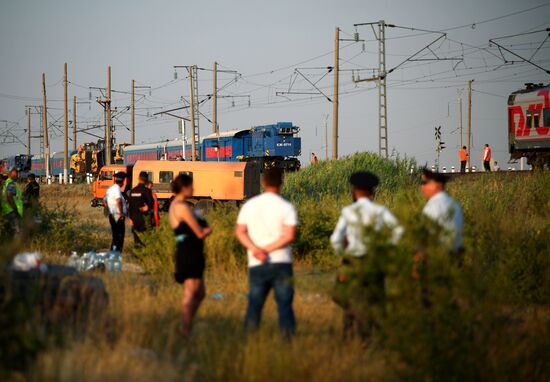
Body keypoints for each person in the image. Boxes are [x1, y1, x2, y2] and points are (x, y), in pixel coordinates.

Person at [330, 171, 403, 339]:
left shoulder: (348, 211)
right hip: (374, 260)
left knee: (350, 298)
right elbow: (399, 230)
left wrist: (344, 253)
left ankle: (348, 333)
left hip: (353, 261)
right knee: (375, 298)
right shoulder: (380, 211)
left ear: (354, 191)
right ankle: (372, 337)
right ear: (373, 192)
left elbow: (335, 239)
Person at [235, 168, 298, 339]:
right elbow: (290, 235)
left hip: (257, 263)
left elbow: (240, 231)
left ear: (263, 182)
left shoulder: (250, 205)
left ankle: (250, 341)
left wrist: (256, 250)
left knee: (254, 304)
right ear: (281, 182)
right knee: (285, 306)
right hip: (282, 263)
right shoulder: (287, 207)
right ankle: (288, 343)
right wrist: (269, 250)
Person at [168, 174, 212, 336]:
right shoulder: (182, 207)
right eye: (192, 186)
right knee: (191, 291)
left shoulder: (175, 205)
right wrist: (207, 229)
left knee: (199, 292)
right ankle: (185, 329)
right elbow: (199, 233)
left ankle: (186, 325)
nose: (193, 189)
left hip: (187, 249)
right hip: (189, 251)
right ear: (185, 187)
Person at [419, 169, 464, 255]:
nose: (422, 187)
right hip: (457, 256)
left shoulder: (432, 206)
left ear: (435, 185)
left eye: (424, 182)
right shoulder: (456, 204)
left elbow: (425, 237)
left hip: (440, 257)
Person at [128, 171, 155, 246]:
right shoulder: (146, 191)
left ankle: (136, 254)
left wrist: (130, 218)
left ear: (138, 179)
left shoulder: (133, 191)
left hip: (134, 218)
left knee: (136, 238)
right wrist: (147, 208)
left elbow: (130, 206)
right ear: (146, 180)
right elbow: (151, 203)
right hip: (143, 218)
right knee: (144, 238)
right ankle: (143, 254)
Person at [104, 172, 127, 252]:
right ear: (123, 181)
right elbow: (119, 200)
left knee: (115, 235)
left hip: (112, 214)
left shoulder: (110, 189)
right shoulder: (117, 189)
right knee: (120, 235)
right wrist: (120, 213)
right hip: (117, 215)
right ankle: (117, 252)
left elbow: (105, 200)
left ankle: (113, 251)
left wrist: (110, 207)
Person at [2, 167, 23, 234]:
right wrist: (16, 211)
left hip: (7, 211)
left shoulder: (7, 182)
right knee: (17, 233)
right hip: (12, 212)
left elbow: (15, 197)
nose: (18, 175)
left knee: (10, 233)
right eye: (16, 173)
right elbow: (9, 196)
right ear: (11, 173)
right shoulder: (11, 184)